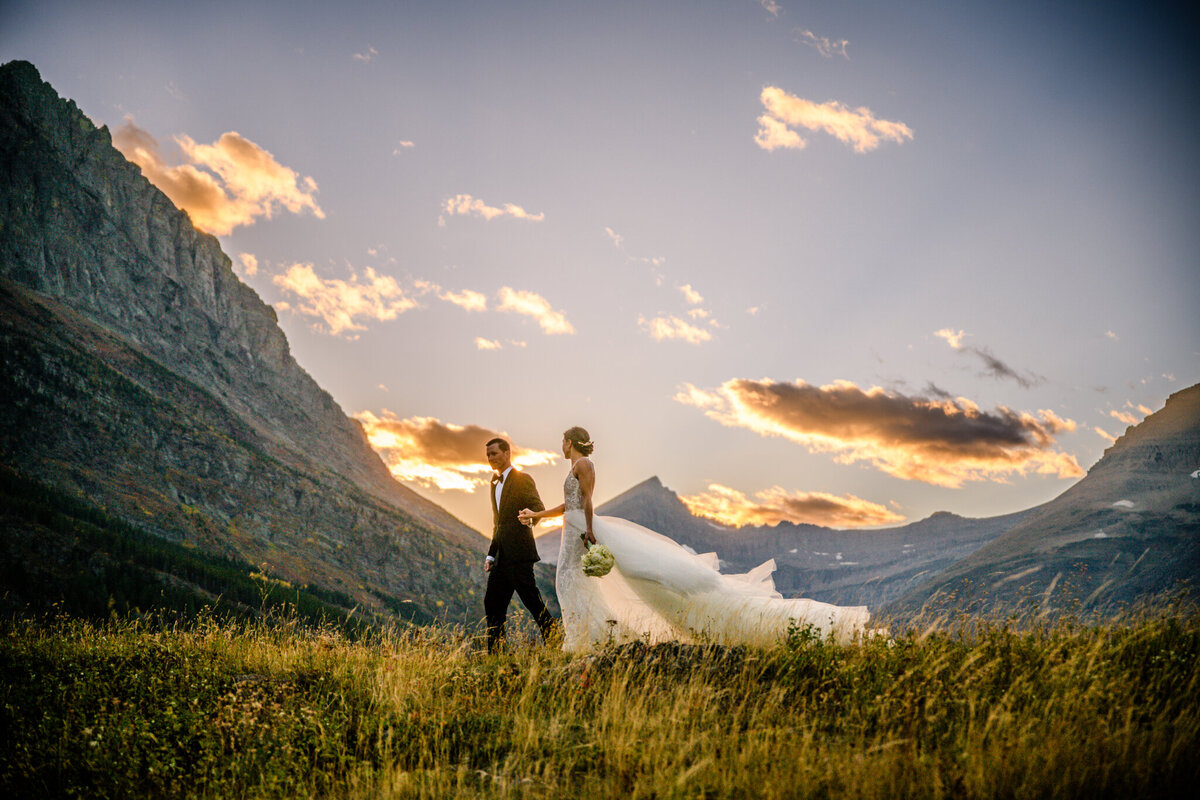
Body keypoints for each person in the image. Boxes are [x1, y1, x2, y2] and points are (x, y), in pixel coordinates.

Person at [520, 426, 872, 652]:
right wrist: (538, 516)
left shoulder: (585, 466)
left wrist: (592, 531)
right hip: (572, 528)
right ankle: (582, 639)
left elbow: (586, 501)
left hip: (581, 529)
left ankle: (584, 640)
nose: (560, 445)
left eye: (562, 440)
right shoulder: (572, 468)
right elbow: (568, 505)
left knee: (575, 583)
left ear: (571, 442)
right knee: (570, 585)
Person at [483, 437, 555, 653]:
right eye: (487, 455)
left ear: (507, 453)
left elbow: (537, 508)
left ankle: (555, 640)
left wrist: (530, 519)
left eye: (494, 453)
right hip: (501, 557)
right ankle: (495, 654)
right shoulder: (493, 483)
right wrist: (490, 555)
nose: (490, 458)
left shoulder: (523, 479)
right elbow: (498, 523)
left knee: (532, 602)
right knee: (492, 604)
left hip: (520, 554)